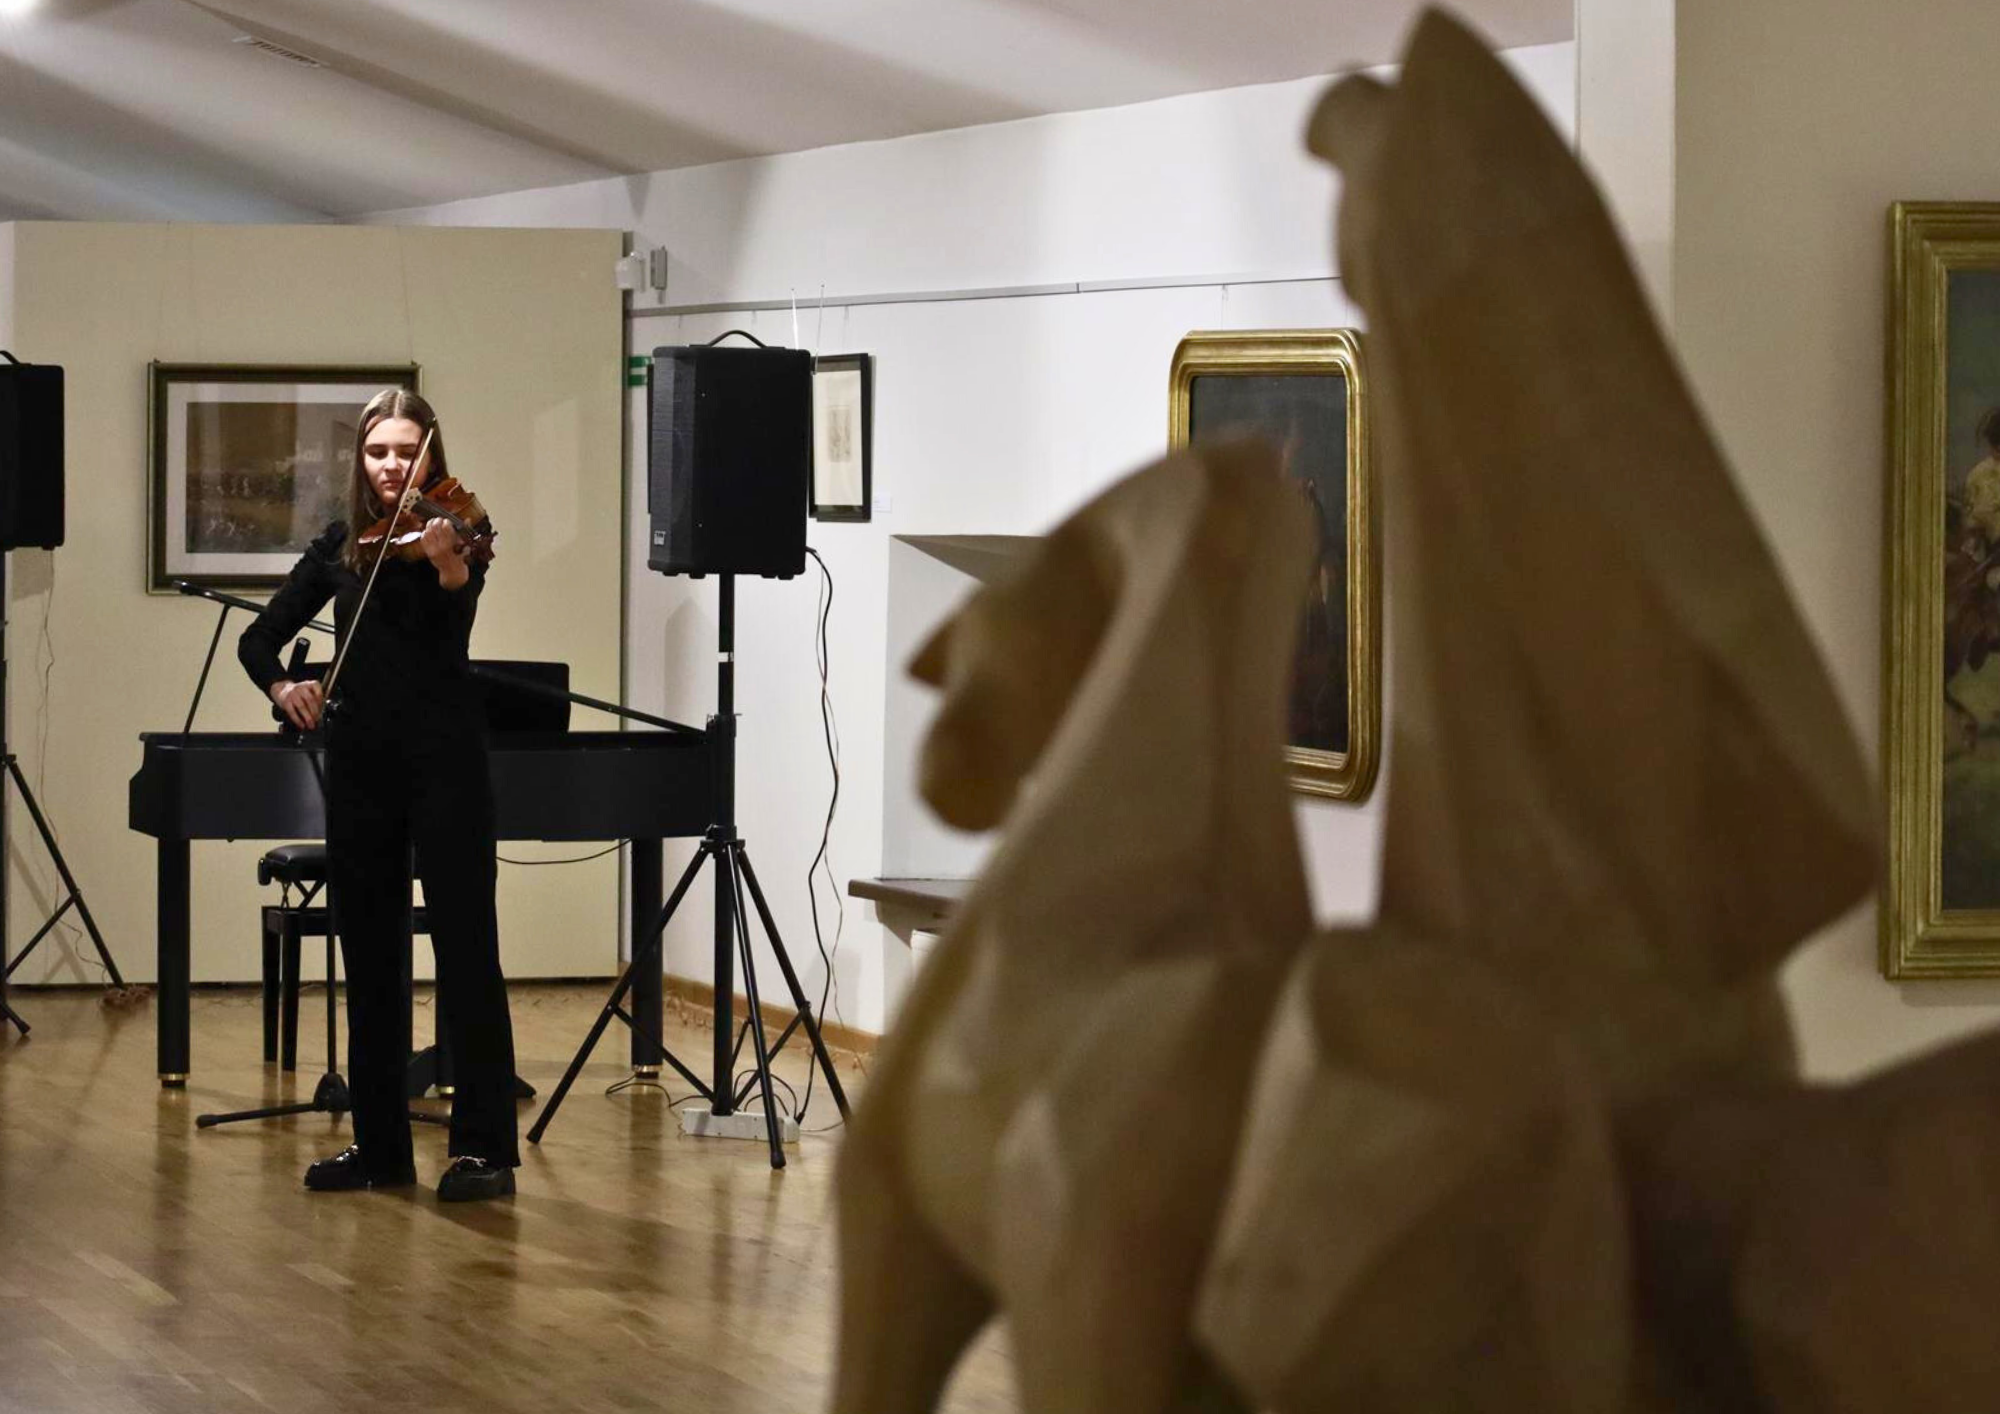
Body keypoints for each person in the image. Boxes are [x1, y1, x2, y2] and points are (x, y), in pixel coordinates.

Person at [238, 388, 518, 1202]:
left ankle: (483, 1151)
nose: (393, 466)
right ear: (359, 459)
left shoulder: (455, 535)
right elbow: (259, 638)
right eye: (377, 452)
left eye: (405, 451)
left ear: (430, 455)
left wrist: (448, 564)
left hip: (446, 760)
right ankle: (379, 1148)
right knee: (369, 954)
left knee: (467, 948)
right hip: (361, 759)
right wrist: (284, 685)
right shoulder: (342, 544)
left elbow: (453, 623)